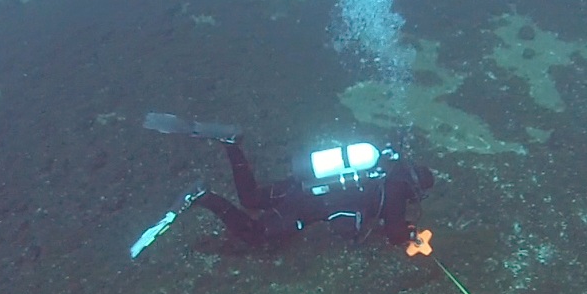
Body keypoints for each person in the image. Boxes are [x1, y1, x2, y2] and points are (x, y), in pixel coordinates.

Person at [134, 113, 434, 253]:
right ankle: (202, 196)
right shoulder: (393, 196)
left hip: (298, 184)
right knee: (255, 235)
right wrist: (405, 233)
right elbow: (349, 225)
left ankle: (231, 142)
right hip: (303, 208)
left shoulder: (382, 163)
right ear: (414, 189)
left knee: (251, 198)